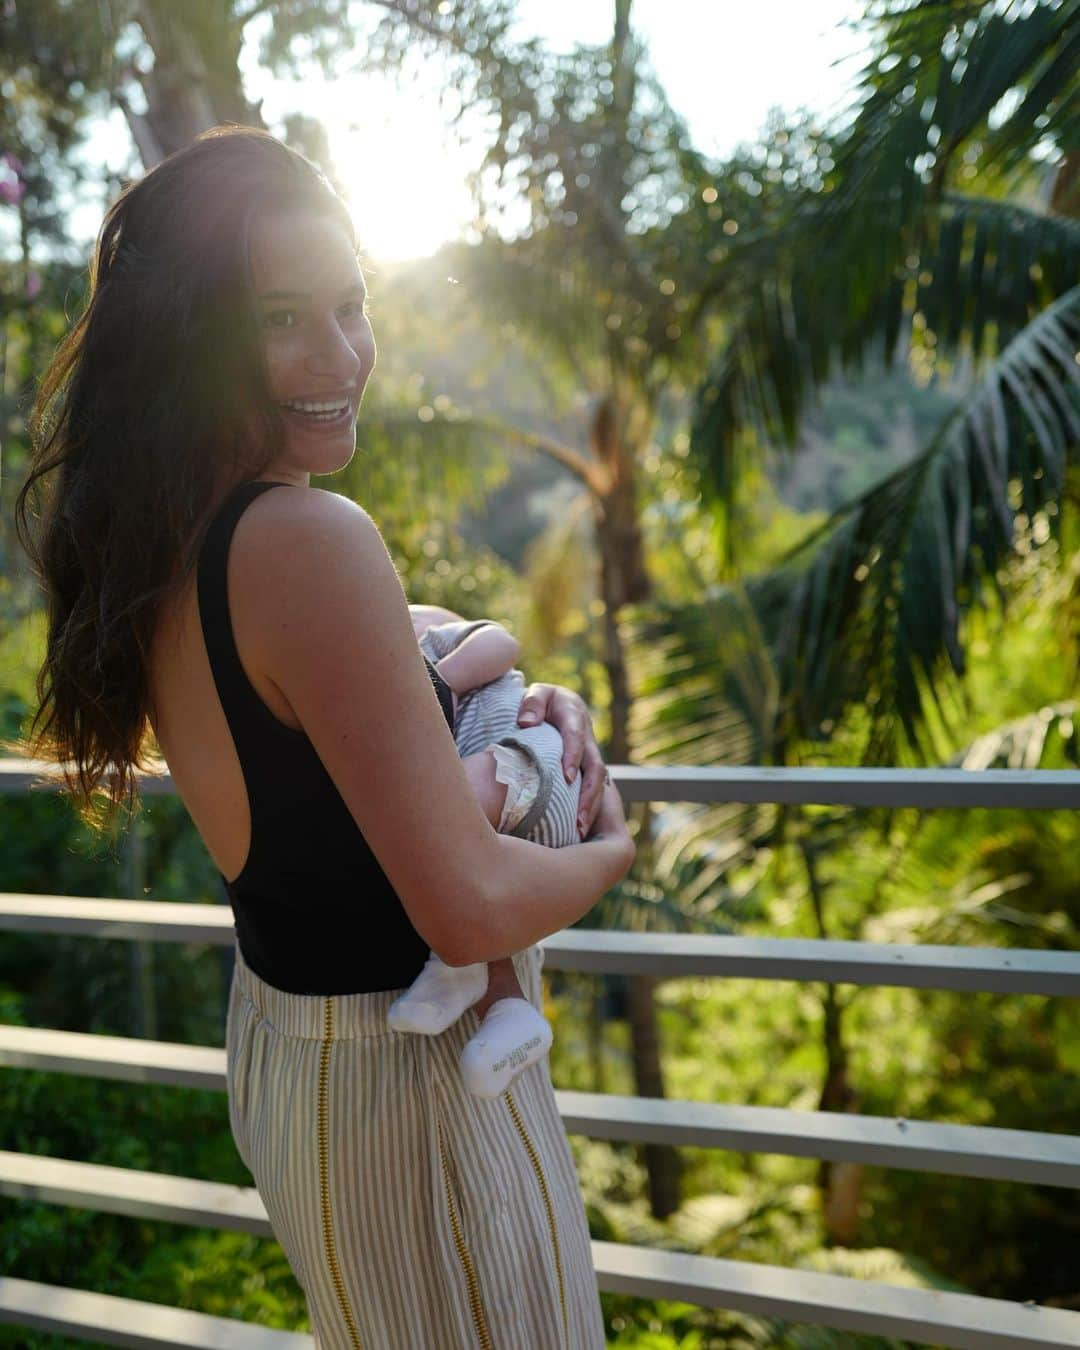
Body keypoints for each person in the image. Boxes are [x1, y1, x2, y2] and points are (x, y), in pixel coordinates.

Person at [13, 123, 634, 1350]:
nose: (340, 352)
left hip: (306, 1066)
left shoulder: (169, 543)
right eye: (279, 316)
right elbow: (465, 908)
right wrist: (615, 840)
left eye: (352, 305)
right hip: (418, 1087)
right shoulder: (306, 540)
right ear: (193, 342)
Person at [391, 609, 582, 1099]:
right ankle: (506, 1009)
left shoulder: (427, 634)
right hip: (509, 802)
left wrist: (436, 682)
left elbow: (503, 640)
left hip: (529, 768)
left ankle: (456, 967)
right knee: (443, 857)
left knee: (431, 818)